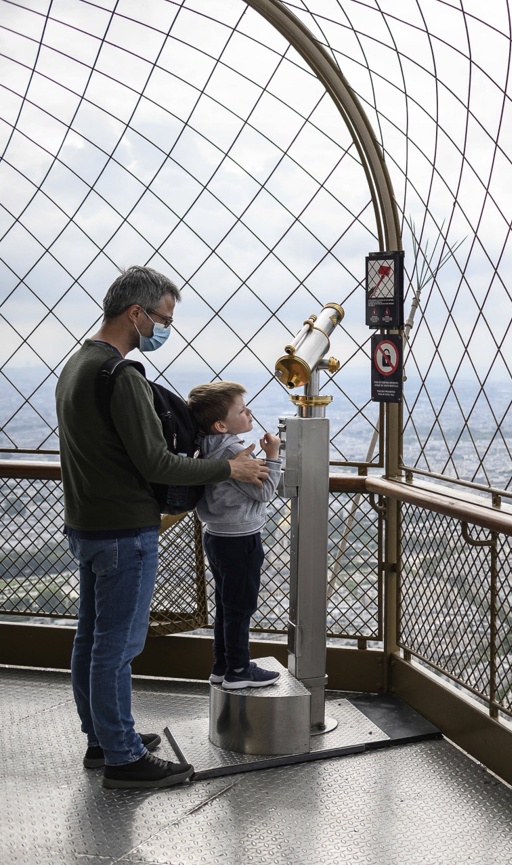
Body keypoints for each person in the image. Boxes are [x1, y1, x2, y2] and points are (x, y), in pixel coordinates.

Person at [56, 265, 269, 789]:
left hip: (86, 523)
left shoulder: (76, 365)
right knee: (118, 647)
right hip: (124, 530)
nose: (164, 328)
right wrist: (230, 467)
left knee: (91, 638)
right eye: (163, 317)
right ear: (137, 313)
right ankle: (124, 758)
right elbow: (157, 463)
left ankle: (102, 738)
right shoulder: (122, 376)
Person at [187, 381, 283, 690]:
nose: (249, 411)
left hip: (215, 536)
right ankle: (239, 670)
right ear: (220, 424)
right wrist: (273, 455)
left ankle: (222, 664)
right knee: (240, 607)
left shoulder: (203, 447)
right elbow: (265, 491)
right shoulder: (234, 452)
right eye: (241, 409)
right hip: (241, 538)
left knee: (226, 605)